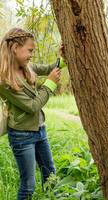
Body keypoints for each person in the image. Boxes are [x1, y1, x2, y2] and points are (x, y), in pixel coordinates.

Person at [0, 28, 66, 200]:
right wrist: (50, 85)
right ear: (15, 48)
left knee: (50, 174)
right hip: (21, 136)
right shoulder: (4, 80)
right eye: (30, 50)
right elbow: (32, 106)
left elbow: (50, 68)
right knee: (28, 185)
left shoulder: (27, 67)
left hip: (40, 131)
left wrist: (63, 58)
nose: (31, 55)